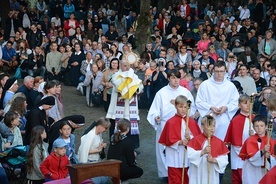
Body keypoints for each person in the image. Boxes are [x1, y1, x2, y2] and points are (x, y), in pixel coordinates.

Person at [147, 69, 196, 178]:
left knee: (181, 148)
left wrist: (187, 114)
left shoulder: (185, 92)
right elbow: (154, 110)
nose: (176, 80)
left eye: (178, 77)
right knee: (164, 149)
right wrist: (156, 117)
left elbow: (192, 108)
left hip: (182, 124)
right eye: (173, 78)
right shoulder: (161, 93)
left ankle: (183, 170)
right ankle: (166, 173)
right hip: (166, 124)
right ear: (168, 78)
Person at [158, 95, 201, 184]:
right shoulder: (170, 122)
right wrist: (180, 142)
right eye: (180, 107)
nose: (183, 109)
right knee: (175, 179)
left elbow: (198, 139)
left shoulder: (192, 122)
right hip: (174, 156)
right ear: (176, 106)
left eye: (185, 107)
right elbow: (168, 140)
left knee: (187, 178)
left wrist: (190, 138)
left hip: (187, 156)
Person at [196, 61, 239, 141]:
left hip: (223, 118)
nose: (219, 73)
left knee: (220, 143)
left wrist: (226, 107)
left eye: (221, 71)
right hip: (208, 117)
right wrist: (211, 107)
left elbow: (235, 102)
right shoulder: (205, 85)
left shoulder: (230, 86)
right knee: (205, 143)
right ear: (213, 71)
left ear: (225, 71)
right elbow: (199, 101)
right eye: (217, 71)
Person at [106, 60, 143, 149]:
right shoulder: (116, 76)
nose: (127, 68)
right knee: (116, 127)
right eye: (124, 66)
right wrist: (129, 77)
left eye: (128, 66)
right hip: (116, 110)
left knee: (130, 130)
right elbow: (120, 85)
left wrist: (136, 89)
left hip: (130, 109)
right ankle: (115, 146)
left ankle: (132, 148)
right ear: (120, 66)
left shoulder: (134, 76)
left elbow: (140, 86)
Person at [187, 115, 229, 184]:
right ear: (202, 127)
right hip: (197, 172)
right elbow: (190, 155)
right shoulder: (195, 140)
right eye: (209, 125)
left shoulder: (219, 142)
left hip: (211, 171)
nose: (212, 128)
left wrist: (214, 160)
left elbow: (224, 159)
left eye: (213, 126)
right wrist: (202, 152)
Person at [224, 95, 255, 184]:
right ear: (239, 105)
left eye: (250, 103)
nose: (248, 105)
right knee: (238, 177)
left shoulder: (255, 119)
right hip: (239, 154)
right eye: (245, 103)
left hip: (252, 154)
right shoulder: (235, 120)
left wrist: (253, 135)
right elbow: (233, 141)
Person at [239, 115, 276, 184]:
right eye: (256, 126)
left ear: (266, 127)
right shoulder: (249, 141)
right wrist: (262, 151)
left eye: (261, 126)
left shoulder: (272, 141)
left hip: (265, 171)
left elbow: (274, 161)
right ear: (253, 127)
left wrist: (269, 158)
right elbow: (251, 158)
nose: (259, 128)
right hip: (252, 171)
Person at [78, 117, 110, 184]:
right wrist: (98, 150)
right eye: (105, 128)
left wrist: (102, 145)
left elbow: (97, 144)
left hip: (95, 160)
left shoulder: (99, 133)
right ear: (100, 126)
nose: (106, 130)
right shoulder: (90, 135)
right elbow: (85, 151)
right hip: (89, 161)